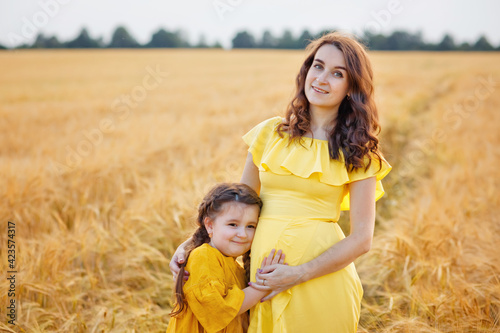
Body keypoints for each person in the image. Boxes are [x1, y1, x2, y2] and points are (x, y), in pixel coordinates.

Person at [170, 32, 392, 332]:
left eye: (337, 73)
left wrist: (299, 273)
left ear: (352, 87)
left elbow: (362, 239)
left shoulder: (359, 151)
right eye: (318, 66)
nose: (322, 79)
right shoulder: (269, 134)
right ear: (306, 70)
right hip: (264, 280)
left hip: (322, 281)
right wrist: (192, 244)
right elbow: (236, 209)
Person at [167, 183, 285, 333]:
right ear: (210, 225)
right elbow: (218, 311)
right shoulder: (203, 256)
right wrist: (264, 285)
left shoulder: (234, 265)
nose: (243, 234)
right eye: (233, 224)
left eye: (251, 226)